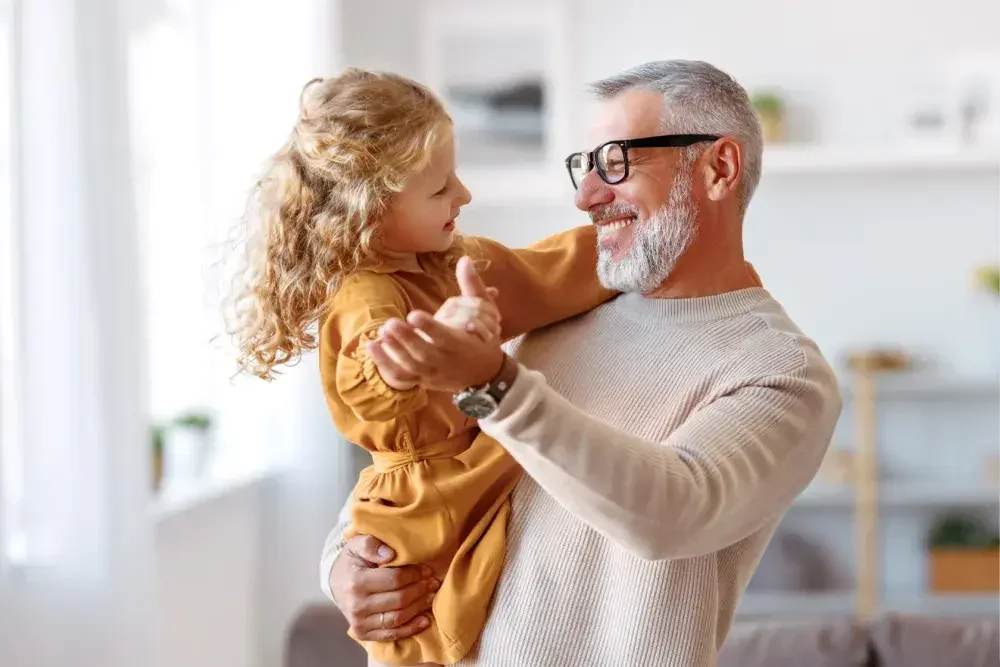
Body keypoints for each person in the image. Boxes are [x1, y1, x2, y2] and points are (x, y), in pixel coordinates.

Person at [321, 60, 843, 667]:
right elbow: (426, 470)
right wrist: (344, 568)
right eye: (586, 165)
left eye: (617, 162)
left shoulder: (780, 371)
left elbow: (671, 512)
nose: (586, 196)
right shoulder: (552, 312)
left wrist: (493, 382)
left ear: (718, 168)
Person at [224, 69, 616, 666]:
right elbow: (377, 378)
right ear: (370, 209)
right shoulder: (366, 295)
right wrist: (428, 349)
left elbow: (548, 271)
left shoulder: (456, 262)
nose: (463, 195)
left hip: (472, 470)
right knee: (420, 631)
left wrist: (627, 245)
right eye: (439, 190)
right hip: (422, 506)